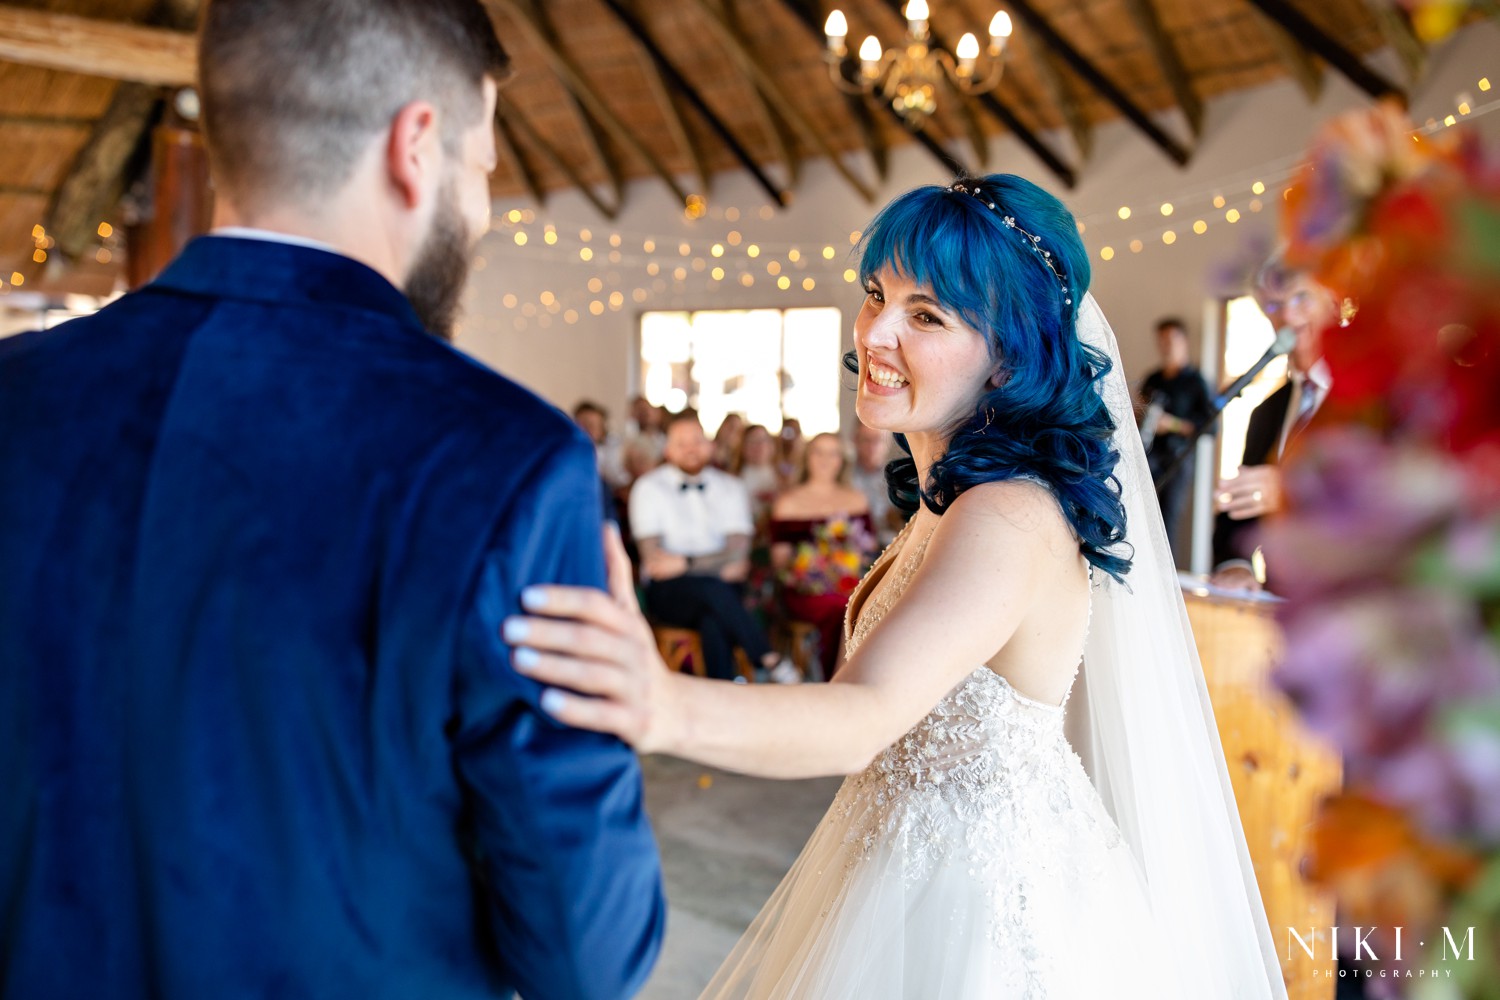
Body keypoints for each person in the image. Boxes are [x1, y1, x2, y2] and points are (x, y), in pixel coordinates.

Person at [0, 2, 664, 997]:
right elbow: (586, 953)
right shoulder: (507, 458)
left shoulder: (16, 394)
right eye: (482, 168)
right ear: (416, 145)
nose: (480, 210)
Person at [504, 175, 1286, 998]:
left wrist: (660, 703)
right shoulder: (944, 504)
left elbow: (862, 719)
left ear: (1011, 357)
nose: (875, 332)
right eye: (876, 296)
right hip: (898, 862)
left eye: (926, 316)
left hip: (978, 915)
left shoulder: (1008, 516)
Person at [630, 411, 800, 684]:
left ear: (709, 445)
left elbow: (738, 552)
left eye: (697, 440)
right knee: (714, 591)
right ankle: (769, 658)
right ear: (668, 450)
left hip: (722, 588)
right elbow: (655, 561)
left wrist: (684, 563)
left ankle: (720, 696)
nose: (691, 449)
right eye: (681, 443)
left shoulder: (731, 487)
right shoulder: (648, 488)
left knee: (713, 613)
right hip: (669, 593)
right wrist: (712, 563)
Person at [1211, 251, 1338, 591]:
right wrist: (1236, 566)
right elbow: (1237, 519)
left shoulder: (1372, 398)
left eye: (1301, 298)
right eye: (1272, 306)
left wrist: (1289, 491)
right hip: (1282, 610)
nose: (1288, 316)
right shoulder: (1266, 411)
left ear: (1333, 301)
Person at [768, 432, 876, 680]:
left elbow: (869, 551)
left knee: (865, 603)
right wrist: (818, 566)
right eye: (818, 452)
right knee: (841, 606)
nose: (825, 459)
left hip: (849, 585)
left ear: (842, 460)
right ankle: (837, 679)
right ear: (807, 457)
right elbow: (781, 564)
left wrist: (845, 565)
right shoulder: (788, 502)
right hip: (805, 589)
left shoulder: (856, 500)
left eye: (833, 453)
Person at [1138, 317, 1213, 564]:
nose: (1167, 345)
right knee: (1142, 516)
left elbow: (1210, 427)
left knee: (1167, 520)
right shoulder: (1154, 379)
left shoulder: (1196, 381)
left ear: (1184, 341)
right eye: (1162, 340)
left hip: (1177, 461)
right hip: (1148, 458)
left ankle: (1166, 580)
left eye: (1172, 339)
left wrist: (1172, 424)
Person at [850, 420, 903, 545]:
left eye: (877, 440)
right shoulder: (843, 476)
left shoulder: (901, 479)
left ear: (888, 443)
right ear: (855, 440)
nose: (871, 446)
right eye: (866, 440)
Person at [573, 399, 630, 490]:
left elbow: (619, 479)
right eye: (584, 424)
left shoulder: (613, 451)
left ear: (601, 429)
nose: (588, 429)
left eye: (593, 425)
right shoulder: (568, 454)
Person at [730, 423, 782, 519]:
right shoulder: (731, 480)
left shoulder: (786, 477)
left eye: (763, 440)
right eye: (752, 441)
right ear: (742, 447)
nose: (759, 446)